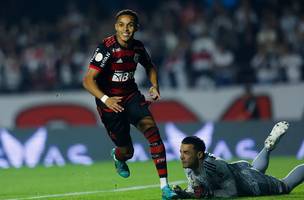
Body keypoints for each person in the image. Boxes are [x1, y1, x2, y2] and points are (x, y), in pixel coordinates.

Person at [82, 9, 177, 200]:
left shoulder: (138, 48)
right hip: (109, 103)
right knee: (127, 151)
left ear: (136, 28)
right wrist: (105, 99)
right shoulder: (106, 48)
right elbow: (88, 81)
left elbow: (149, 66)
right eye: (122, 25)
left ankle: (165, 188)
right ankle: (118, 156)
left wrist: (154, 85)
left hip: (131, 96)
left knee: (153, 134)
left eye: (130, 25)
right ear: (116, 27)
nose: (126, 29)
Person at [174, 121, 304, 198]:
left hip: (250, 181)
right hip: (239, 170)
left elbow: (232, 192)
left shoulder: (213, 166)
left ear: (199, 155)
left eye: (186, 153)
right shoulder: (190, 165)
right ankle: (267, 148)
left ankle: (268, 149)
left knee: (285, 186)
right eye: (181, 152)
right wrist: (184, 194)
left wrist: (208, 193)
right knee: (255, 169)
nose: (181, 156)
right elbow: (196, 188)